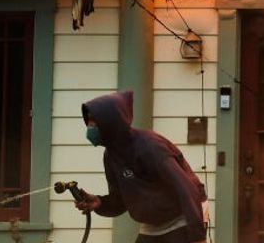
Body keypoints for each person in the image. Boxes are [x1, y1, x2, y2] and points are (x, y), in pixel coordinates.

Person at [73, 91, 208, 243]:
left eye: (93, 121)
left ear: (110, 121)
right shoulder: (110, 156)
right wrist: (100, 203)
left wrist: (197, 236)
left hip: (182, 217)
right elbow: (120, 200)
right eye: (88, 120)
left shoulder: (149, 145)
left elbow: (185, 187)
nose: (89, 126)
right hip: (152, 225)